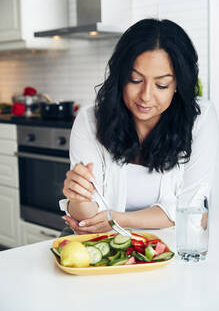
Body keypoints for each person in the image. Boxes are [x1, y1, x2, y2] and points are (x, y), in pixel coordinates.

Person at [59, 18, 218, 235]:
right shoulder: (90, 120)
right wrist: (78, 198)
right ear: (120, 77)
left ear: (178, 84)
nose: (145, 96)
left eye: (161, 85)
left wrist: (119, 219)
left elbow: (192, 210)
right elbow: (89, 218)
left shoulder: (201, 118)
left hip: (170, 247)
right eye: (135, 80)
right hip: (103, 243)